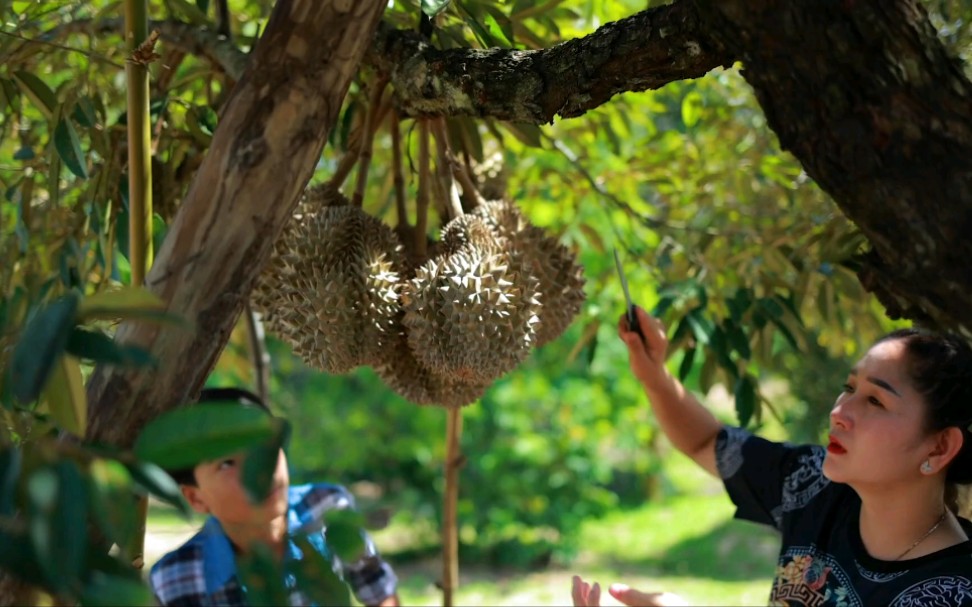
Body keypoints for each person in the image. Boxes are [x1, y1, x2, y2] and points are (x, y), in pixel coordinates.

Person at [573, 307, 972, 606]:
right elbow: (706, 443)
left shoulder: (953, 593)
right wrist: (655, 376)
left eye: (875, 401)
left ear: (939, 448)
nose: (839, 412)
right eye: (848, 388)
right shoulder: (814, 485)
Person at [148, 387, 400, 607]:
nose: (260, 470)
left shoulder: (328, 509)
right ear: (195, 498)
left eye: (262, 446)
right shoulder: (177, 579)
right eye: (227, 463)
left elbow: (378, 591)